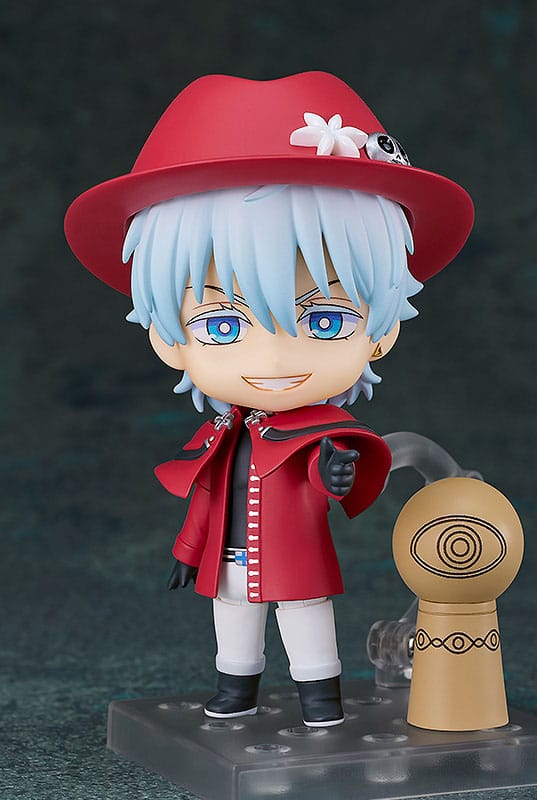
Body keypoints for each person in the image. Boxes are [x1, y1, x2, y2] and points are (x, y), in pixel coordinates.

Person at [64, 71, 474, 727]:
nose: (276, 359)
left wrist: (333, 474)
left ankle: (320, 698)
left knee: (307, 623)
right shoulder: (221, 436)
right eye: (223, 325)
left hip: (298, 559)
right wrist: (186, 552)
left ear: (383, 331)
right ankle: (236, 689)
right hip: (228, 561)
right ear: (168, 340)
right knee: (233, 621)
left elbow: (334, 474)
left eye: (326, 321)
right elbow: (206, 498)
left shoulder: (320, 434)